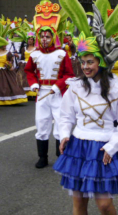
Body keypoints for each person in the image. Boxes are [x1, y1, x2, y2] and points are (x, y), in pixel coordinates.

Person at [53, 30, 118, 215]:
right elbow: (65, 116)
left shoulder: (116, 90)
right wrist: (64, 135)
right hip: (79, 148)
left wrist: (112, 146)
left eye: (90, 62)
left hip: (104, 148)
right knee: (79, 203)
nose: (85, 67)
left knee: (104, 204)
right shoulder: (75, 87)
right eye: (83, 62)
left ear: (101, 63)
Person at [25, 0, 75, 168]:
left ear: (53, 37)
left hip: (58, 93)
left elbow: (69, 74)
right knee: (41, 122)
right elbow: (29, 71)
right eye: (42, 36)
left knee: (61, 123)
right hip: (42, 94)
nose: (45, 39)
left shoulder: (62, 53)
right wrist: (33, 84)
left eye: (48, 36)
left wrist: (58, 86)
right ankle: (42, 157)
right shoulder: (34, 54)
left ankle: (61, 156)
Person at [0, 37, 28, 105]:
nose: (5, 46)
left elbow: (11, 62)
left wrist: (9, 65)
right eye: (4, 45)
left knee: (6, 85)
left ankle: (10, 99)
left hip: (5, 71)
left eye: (6, 45)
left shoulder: (8, 53)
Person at [15, 31, 37, 97]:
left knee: (31, 78)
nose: (30, 41)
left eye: (31, 39)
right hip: (24, 65)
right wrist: (18, 55)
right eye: (29, 39)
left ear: (33, 41)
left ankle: (32, 93)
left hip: (32, 64)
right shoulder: (24, 48)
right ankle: (25, 93)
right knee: (22, 78)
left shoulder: (36, 49)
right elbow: (22, 56)